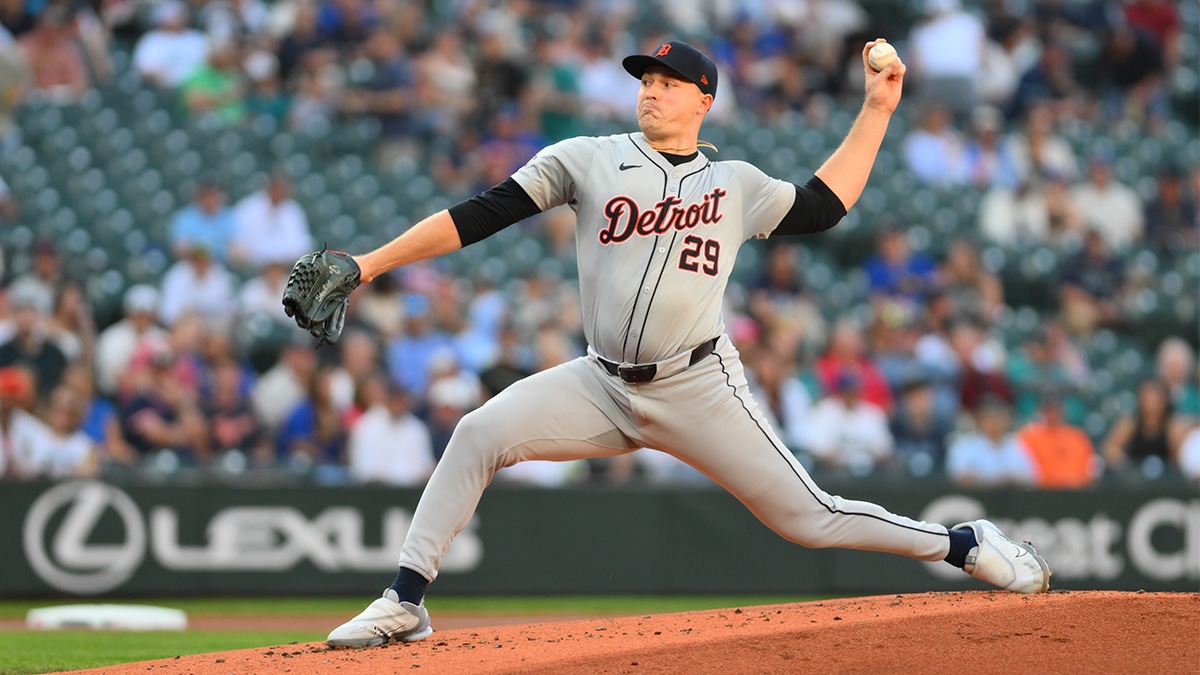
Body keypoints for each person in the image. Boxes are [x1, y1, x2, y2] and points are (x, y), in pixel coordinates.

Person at [324, 39, 1050, 649]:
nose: (651, 91)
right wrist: (367, 265)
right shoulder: (587, 158)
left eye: (668, 83)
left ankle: (961, 543)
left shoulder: (735, 183)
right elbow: (477, 215)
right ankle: (406, 600)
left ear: (704, 99)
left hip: (699, 385)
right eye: (646, 79)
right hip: (600, 383)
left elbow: (825, 205)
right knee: (478, 431)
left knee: (811, 517)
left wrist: (876, 109)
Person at [1100, 378, 1189, 477]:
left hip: (1167, 482)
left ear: (1164, 399)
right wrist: (1128, 467)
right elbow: (1109, 450)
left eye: (1155, 397)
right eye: (1147, 397)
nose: (1151, 403)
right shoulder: (1129, 424)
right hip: (1135, 481)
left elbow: (1182, 460)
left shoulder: (1174, 427)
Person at [945, 396, 1035, 487]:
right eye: (988, 418)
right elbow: (959, 477)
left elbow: (1033, 477)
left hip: (1011, 498)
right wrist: (999, 479)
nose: (994, 422)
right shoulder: (964, 445)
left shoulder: (1017, 444)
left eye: (999, 416)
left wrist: (1012, 478)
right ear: (978, 420)